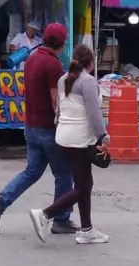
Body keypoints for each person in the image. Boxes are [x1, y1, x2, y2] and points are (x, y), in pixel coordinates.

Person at [0, 23, 76, 234]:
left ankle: (0, 202)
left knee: (32, 171)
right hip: (48, 128)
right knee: (64, 174)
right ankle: (61, 218)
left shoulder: (32, 58)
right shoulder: (53, 65)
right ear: (61, 44)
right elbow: (56, 101)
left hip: (31, 125)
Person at [29, 44, 110, 245]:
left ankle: (87, 229)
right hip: (79, 140)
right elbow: (94, 113)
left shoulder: (63, 79)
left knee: (84, 184)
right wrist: (104, 137)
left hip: (64, 137)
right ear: (90, 63)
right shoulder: (88, 82)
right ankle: (45, 215)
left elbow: (58, 110)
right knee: (83, 187)